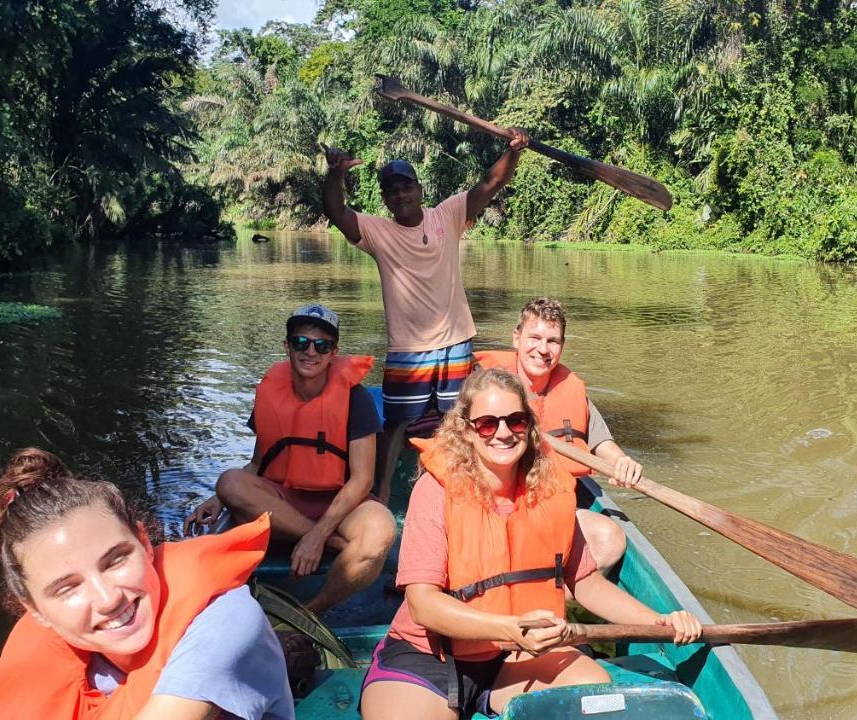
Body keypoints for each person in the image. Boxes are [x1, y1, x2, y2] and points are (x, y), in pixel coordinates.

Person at [358, 369, 700, 720]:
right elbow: (423, 604)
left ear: (529, 426)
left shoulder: (550, 491)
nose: (503, 433)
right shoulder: (435, 491)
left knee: (598, 709)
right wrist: (509, 628)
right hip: (429, 658)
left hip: (515, 657)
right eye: (487, 423)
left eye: (516, 421)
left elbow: (585, 583)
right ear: (466, 430)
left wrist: (658, 621)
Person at [0, 448, 292, 720]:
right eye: (68, 588)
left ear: (143, 542)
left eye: (115, 560)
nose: (107, 599)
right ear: (35, 610)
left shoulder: (226, 621)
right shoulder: (38, 660)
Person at [322, 130, 530, 502]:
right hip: (408, 348)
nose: (400, 195)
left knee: (459, 418)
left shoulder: (447, 216)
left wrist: (511, 151)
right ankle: (382, 492)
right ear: (385, 199)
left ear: (419, 189)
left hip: (455, 342)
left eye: (406, 188)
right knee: (397, 423)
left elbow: (492, 181)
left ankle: (462, 486)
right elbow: (337, 211)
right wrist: (335, 174)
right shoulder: (377, 232)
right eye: (392, 191)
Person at [185, 304, 396, 613]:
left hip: (339, 502)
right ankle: (335, 546)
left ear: (333, 352)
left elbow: (362, 479)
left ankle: (310, 612)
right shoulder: (272, 391)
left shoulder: (355, 398)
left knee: (381, 531)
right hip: (281, 499)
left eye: (321, 345)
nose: (310, 351)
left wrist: (319, 532)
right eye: (301, 342)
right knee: (229, 481)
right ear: (287, 346)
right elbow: (258, 464)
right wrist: (219, 499)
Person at [474, 297, 640, 571]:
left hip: (550, 505)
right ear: (517, 338)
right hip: (495, 506)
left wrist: (622, 462)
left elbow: (601, 443)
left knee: (610, 538)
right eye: (535, 338)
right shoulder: (485, 388)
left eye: (552, 341)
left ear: (562, 346)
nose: (543, 349)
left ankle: (557, 595)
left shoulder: (571, 389)